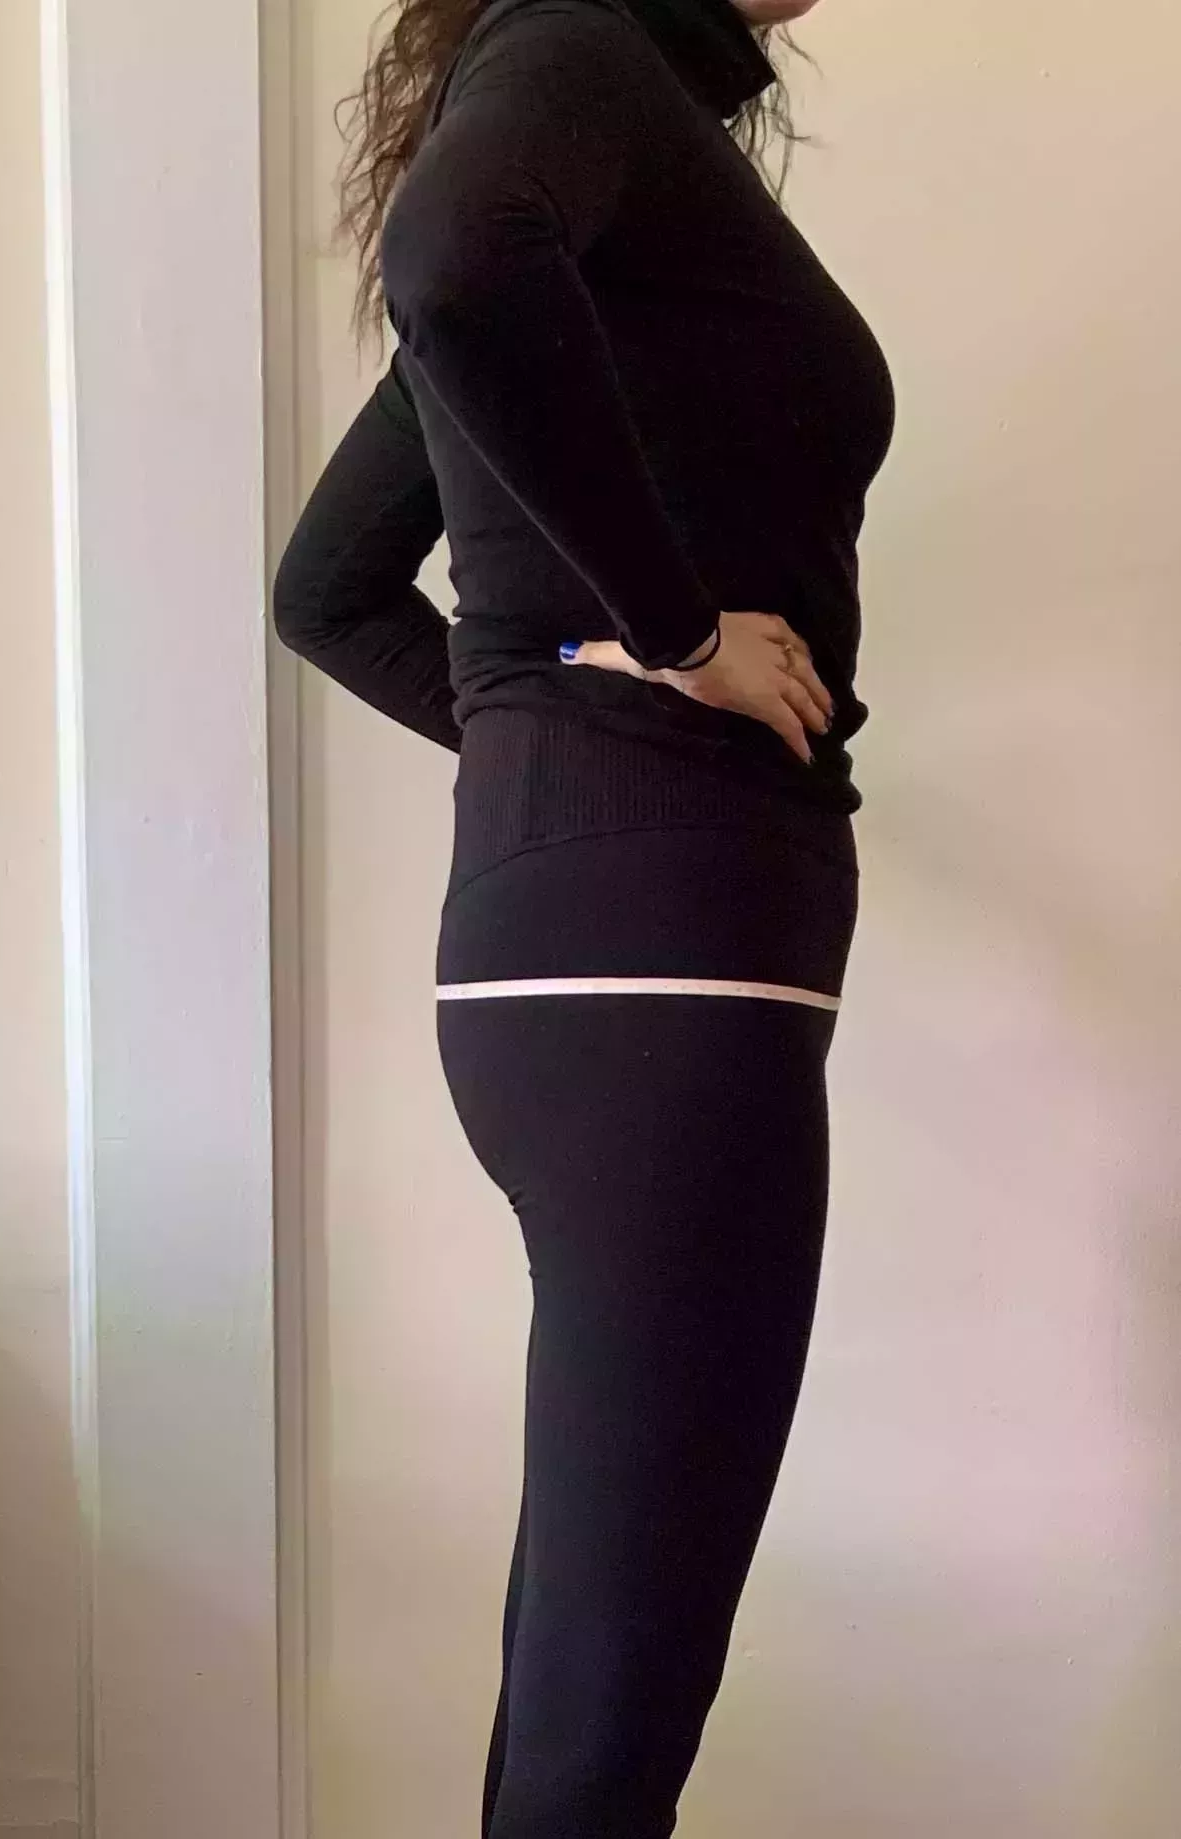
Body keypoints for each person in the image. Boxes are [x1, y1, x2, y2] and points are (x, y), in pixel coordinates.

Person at [274, 0, 895, 1826]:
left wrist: (563, 686)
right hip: (665, 950)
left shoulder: (608, 136)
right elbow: (453, 260)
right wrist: (674, 640)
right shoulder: (580, 50)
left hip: (572, 949)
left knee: (587, 1670)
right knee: (614, 1699)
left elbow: (327, 591)